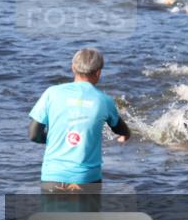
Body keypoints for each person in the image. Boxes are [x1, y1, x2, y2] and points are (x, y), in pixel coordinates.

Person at [28, 48, 131, 193]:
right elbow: (120, 129)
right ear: (98, 72)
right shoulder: (103, 100)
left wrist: (55, 139)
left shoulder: (51, 93)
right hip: (87, 179)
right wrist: (125, 135)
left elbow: (33, 134)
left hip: (53, 176)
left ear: (73, 68)